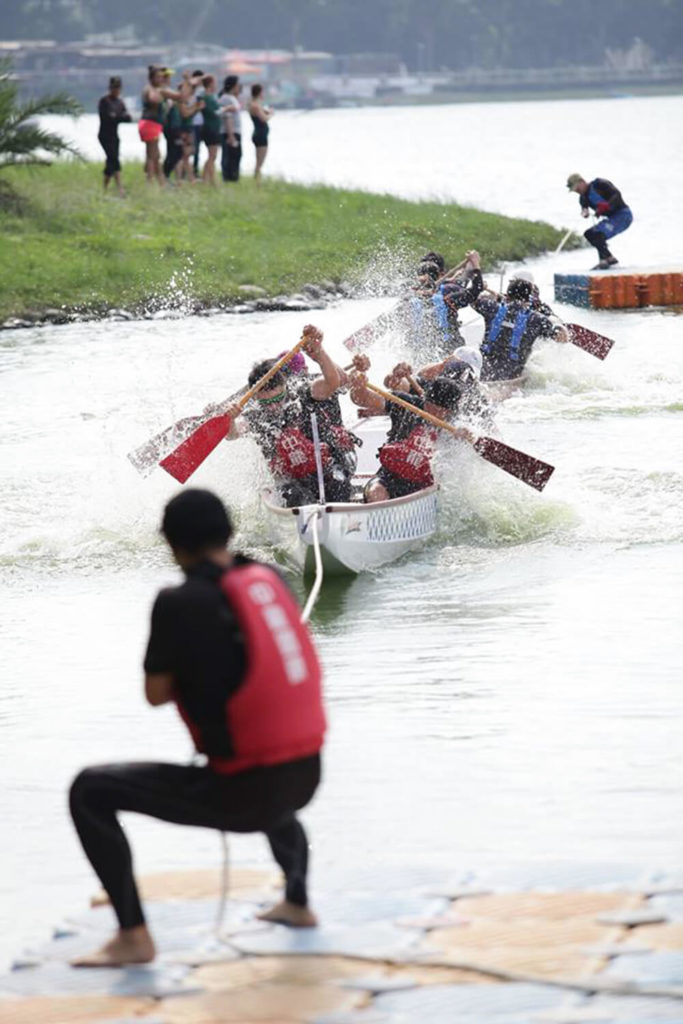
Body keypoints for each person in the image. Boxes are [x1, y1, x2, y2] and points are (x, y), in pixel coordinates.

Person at [69, 489, 325, 967]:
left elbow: (156, 693)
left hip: (244, 793)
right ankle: (297, 902)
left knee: (89, 791)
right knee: (270, 751)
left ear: (172, 545)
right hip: (306, 776)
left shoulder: (179, 601)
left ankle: (133, 938)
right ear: (228, 532)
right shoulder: (267, 578)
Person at [221, 326, 358, 507]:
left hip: (329, 465)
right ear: (256, 397)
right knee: (291, 496)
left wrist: (319, 353)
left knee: (338, 485)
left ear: (285, 386)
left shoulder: (302, 391)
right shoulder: (257, 414)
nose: (274, 406)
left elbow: (333, 382)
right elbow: (232, 434)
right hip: (293, 478)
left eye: (278, 399)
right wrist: (230, 418)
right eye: (266, 403)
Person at [349, 366, 473, 502]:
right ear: (425, 400)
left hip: (425, 486)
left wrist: (466, 437)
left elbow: (468, 447)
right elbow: (362, 399)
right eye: (430, 407)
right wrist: (358, 387)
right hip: (390, 477)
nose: (433, 414)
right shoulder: (407, 404)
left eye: (440, 412)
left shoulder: (454, 426)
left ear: (449, 412)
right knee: (376, 493)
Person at [473, 276, 569, 382]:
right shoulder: (538, 319)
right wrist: (559, 327)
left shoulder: (490, 307)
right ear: (529, 299)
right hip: (513, 373)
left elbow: (471, 298)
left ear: (507, 295)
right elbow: (562, 339)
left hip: (485, 370)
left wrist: (480, 287)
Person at [566, 173, 633, 269]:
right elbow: (584, 208)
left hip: (623, 215)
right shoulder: (583, 198)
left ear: (582, 182)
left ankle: (608, 260)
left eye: (577, 188)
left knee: (598, 234)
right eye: (575, 190)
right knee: (589, 233)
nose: (577, 191)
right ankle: (606, 260)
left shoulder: (600, 184)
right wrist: (585, 212)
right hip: (612, 219)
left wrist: (607, 204)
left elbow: (617, 195)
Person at [139, 65, 181, 185]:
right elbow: (153, 99)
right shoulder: (151, 89)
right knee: (154, 156)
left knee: (152, 155)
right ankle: (153, 181)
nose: (160, 79)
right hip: (150, 124)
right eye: (158, 77)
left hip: (154, 124)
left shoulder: (157, 89)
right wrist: (162, 93)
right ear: (151, 78)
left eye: (161, 77)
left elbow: (178, 97)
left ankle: (155, 180)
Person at [97, 76, 131, 196]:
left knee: (111, 160)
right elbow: (106, 118)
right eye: (114, 88)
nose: (116, 90)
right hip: (104, 135)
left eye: (118, 88)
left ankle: (105, 188)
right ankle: (120, 187)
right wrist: (117, 117)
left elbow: (127, 118)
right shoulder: (104, 101)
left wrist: (116, 116)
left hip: (114, 135)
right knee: (114, 158)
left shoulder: (119, 102)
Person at [197, 75, 222, 186]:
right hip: (210, 128)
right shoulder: (206, 97)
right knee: (212, 155)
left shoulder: (212, 96)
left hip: (214, 127)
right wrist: (226, 109)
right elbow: (214, 112)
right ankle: (210, 180)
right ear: (210, 83)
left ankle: (206, 179)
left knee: (213, 155)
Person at [161, 69, 183, 182]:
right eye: (167, 77)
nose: (169, 79)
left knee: (175, 151)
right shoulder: (163, 91)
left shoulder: (168, 91)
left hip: (174, 126)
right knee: (176, 151)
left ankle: (168, 177)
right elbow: (180, 97)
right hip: (170, 127)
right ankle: (164, 175)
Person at [219, 75, 243, 183]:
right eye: (237, 85)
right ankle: (229, 178)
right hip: (229, 132)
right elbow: (227, 117)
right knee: (229, 155)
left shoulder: (233, 98)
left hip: (236, 131)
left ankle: (234, 177)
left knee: (237, 154)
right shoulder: (226, 98)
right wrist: (230, 135)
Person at [248, 83, 273, 182]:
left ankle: (257, 181)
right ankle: (257, 182)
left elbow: (262, 113)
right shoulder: (255, 105)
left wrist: (267, 112)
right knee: (260, 162)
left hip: (260, 134)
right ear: (259, 92)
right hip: (260, 135)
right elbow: (264, 119)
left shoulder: (255, 104)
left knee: (259, 161)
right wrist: (271, 114)